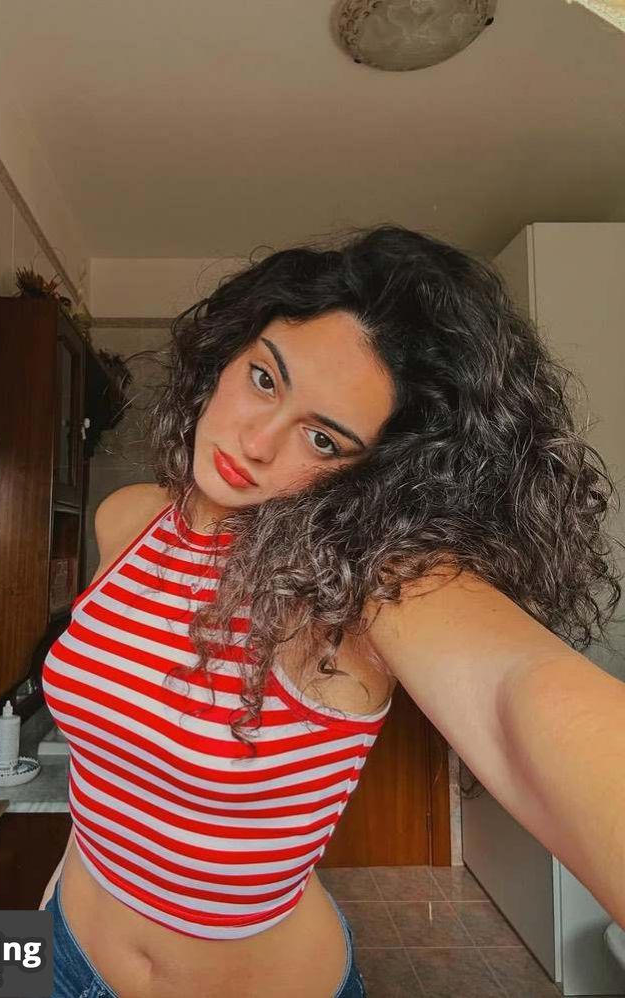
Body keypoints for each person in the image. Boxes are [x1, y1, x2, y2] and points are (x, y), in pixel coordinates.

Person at [38, 224, 625, 998]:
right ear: (228, 353)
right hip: (60, 952)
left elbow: (520, 690)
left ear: (374, 473)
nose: (256, 442)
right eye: (265, 379)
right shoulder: (127, 518)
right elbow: (114, 765)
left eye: (321, 438)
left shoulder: (357, 588)